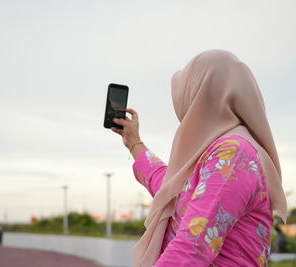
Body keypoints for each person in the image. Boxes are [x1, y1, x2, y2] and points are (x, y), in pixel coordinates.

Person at [111, 50, 287, 267]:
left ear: (201, 94)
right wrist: (133, 142)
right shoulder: (219, 150)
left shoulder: (233, 154)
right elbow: (171, 191)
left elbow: (192, 249)